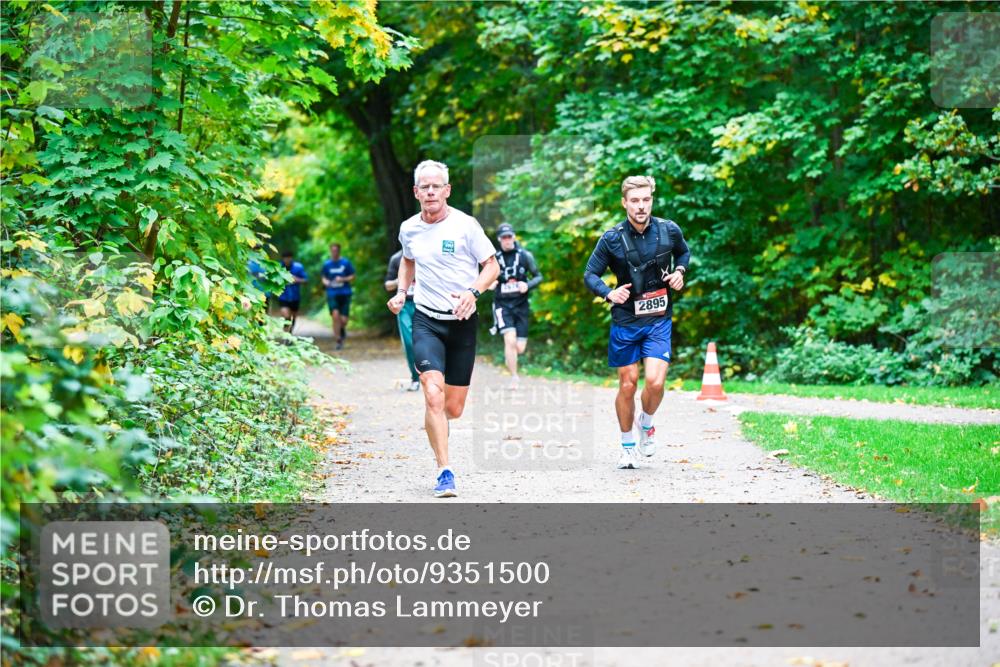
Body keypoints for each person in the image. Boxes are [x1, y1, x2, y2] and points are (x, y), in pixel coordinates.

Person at [387, 160, 499, 498]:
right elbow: (408, 260)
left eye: (437, 186)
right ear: (416, 192)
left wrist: (473, 292)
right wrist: (402, 292)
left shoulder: (466, 226)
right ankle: (444, 470)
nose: (431, 191)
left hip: (463, 323)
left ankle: (441, 426)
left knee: (453, 408)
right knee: (431, 392)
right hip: (426, 319)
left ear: (447, 191)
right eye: (426, 186)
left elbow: (491, 265)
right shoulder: (409, 228)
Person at [583, 176, 690, 470]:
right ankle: (627, 445)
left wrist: (680, 271)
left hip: (658, 318)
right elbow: (590, 274)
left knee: (655, 382)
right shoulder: (612, 238)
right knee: (628, 385)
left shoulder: (669, 230)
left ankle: (648, 423)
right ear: (624, 202)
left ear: (651, 200)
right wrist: (608, 293)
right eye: (635, 201)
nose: (641, 206)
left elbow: (684, 252)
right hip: (626, 321)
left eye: (646, 200)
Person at [488, 223, 543, 390]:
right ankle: (514, 377)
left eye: (509, 236)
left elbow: (538, 276)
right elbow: (486, 279)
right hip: (502, 305)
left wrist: (528, 285)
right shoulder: (494, 259)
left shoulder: (525, 256)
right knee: (509, 340)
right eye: (504, 237)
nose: (507, 240)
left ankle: (510, 357)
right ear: (499, 239)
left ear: (514, 237)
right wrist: (491, 283)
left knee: (519, 347)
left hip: (521, 305)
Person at [385, 248, 420, 391]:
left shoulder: (425, 253)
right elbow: (387, 285)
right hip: (404, 306)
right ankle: (415, 378)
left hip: (424, 303)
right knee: (409, 342)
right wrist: (402, 279)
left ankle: (434, 376)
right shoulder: (396, 258)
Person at [321, 243, 356, 350]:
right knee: (335, 315)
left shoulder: (345, 263)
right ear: (330, 251)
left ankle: (341, 329)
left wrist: (343, 279)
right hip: (332, 293)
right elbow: (323, 277)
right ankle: (338, 340)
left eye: (336, 250)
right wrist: (326, 282)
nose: (334, 252)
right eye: (333, 250)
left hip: (345, 292)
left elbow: (353, 276)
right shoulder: (327, 264)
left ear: (339, 251)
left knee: (344, 320)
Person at [277, 250, 308, 333]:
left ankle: (290, 333)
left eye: (289, 258)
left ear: (291, 258)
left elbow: (305, 280)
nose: (287, 260)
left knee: (293, 317)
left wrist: (296, 279)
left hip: (295, 297)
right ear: (282, 259)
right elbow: (272, 280)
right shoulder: (278, 267)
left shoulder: (298, 267)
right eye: (285, 258)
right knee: (286, 315)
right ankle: (285, 331)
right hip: (283, 296)